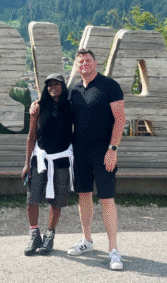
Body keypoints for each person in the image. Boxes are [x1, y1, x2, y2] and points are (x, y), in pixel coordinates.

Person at [30, 49, 126, 270]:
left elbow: (120, 119)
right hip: (79, 151)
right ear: (77, 66)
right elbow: (55, 103)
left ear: (95, 62)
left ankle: (113, 250)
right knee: (84, 195)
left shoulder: (110, 86)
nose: (84, 64)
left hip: (103, 151)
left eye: (87, 60)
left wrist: (113, 149)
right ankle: (87, 241)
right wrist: (36, 104)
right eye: (80, 61)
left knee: (107, 198)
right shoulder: (74, 90)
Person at [22, 73, 75, 256]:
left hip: (61, 159)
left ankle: (49, 236)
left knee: (57, 201)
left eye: (57, 84)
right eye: (50, 84)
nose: (53, 87)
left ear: (63, 86)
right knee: (32, 199)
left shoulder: (70, 106)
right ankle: (34, 234)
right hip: (40, 159)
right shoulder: (38, 107)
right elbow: (31, 136)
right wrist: (26, 163)